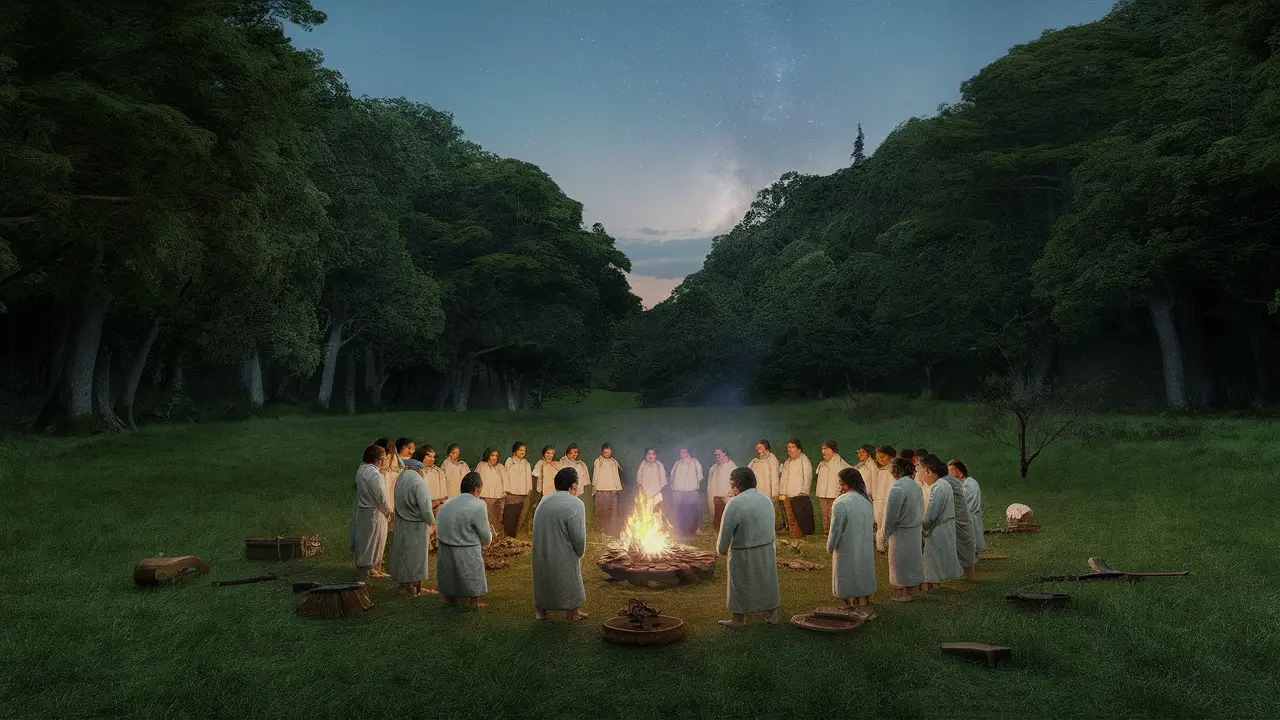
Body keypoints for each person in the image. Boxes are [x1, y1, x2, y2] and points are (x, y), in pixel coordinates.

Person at [717, 467, 781, 628]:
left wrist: (722, 549)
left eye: (732, 485)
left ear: (737, 484)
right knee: (766, 580)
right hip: (766, 549)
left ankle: (739, 619)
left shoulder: (735, 504)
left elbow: (726, 531)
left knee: (740, 583)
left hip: (743, 552)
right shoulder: (765, 499)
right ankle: (772, 613)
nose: (731, 489)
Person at [531, 467, 588, 622]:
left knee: (543, 579)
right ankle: (573, 612)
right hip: (562, 554)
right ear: (574, 486)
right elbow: (578, 535)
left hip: (541, 552)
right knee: (570, 575)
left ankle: (541, 612)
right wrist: (579, 551)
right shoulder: (575, 503)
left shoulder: (544, 500)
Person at [436, 472, 493, 608]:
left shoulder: (448, 502)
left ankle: (448, 596)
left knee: (449, 571)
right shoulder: (478, 504)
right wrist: (486, 542)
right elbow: (485, 534)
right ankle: (474, 601)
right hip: (467, 548)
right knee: (473, 565)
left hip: (445, 546)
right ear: (476, 489)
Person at [388, 449, 436, 596]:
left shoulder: (401, 477)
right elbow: (425, 505)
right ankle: (414, 588)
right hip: (416, 525)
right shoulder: (417, 481)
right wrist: (431, 521)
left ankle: (403, 583)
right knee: (416, 558)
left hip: (402, 522)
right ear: (419, 469)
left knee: (403, 554)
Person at [828, 468, 877, 609]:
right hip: (864, 545)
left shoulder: (841, 502)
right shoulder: (866, 501)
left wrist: (830, 546)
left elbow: (836, 529)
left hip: (846, 545)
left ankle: (848, 603)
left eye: (841, 483)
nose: (840, 486)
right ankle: (863, 600)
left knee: (846, 572)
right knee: (862, 570)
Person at [877, 458, 923, 601]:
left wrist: (884, 534)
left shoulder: (897, 488)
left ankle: (905, 593)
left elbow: (891, 516)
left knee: (901, 562)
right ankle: (912, 590)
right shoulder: (916, 486)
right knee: (912, 560)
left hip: (901, 532)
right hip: (914, 529)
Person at [920, 455, 963, 590]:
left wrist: (922, 529)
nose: (918, 473)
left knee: (933, 558)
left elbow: (931, 516)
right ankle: (935, 583)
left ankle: (933, 584)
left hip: (937, 529)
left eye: (919, 469)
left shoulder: (938, 488)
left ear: (927, 471)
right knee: (939, 557)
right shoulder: (940, 485)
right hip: (943, 526)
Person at [930, 453, 976, 579]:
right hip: (961, 518)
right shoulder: (951, 482)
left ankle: (969, 575)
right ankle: (966, 574)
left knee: (964, 547)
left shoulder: (944, 484)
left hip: (960, 518)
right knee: (963, 547)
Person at [350, 444, 391, 582]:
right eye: (384, 458)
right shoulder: (374, 474)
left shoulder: (362, 469)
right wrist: (387, 511)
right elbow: (380, 496)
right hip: (374, 512)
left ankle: (368, 568)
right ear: (379, 459)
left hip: (364, 510)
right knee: (374, 539)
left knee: (365, 539)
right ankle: (368, 569)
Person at [779, 439, 815, 536]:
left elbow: (808, 476)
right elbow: (784, 478)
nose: (789, 450)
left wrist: (804, 491)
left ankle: (802, 533)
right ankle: (793, 532)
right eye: (788, 448)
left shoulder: (804, 459)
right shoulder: (787, 461)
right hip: (788, 494)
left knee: (800, 515)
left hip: (799, 494)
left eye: (792, 447)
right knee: (790, 515)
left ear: (798, 449)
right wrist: (782, 492)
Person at [950, 459, 986, 554]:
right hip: (964, 516)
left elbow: (965, 501)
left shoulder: (970, 484)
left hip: (969, 516)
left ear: (958, 470)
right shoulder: (960, 483)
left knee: (971, 541)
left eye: (951, 469)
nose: (948, 472)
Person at [815, 440, 850, 534]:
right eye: (822, 449)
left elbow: (850, 476)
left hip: (835, 494)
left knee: (834, 514)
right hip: (823, 493)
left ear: (832, 450)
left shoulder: (841, 464)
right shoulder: (822, 464)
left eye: (825, 449)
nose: (823, 451)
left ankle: (835, 533)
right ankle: (826, 533)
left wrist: (842, 490)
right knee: (824, 514)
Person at [668, 448, 704, 539]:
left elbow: (700, 476)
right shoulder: (677, 463)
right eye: (680, 451)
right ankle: (680, 532)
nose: (681, 453)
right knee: (679, 513)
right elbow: (672, 476)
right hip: (678, 493)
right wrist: (675, 487)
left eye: (683, 451)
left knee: (692, 513)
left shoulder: (695, 462)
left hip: (691, 492)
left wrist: (691, 485)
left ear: (688, 452)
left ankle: (691, 533)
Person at [748, 440, 782, 531]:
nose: (758, 449)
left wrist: (775, 492)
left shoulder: (772, 460)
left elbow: (775, 477)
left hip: (769, 490)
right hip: (759, 490)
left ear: (766, 447)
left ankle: (775, 527)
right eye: (757, 447)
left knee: (772, 509)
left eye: (760, 447)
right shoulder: (756, 461)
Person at [503, 441, 533, 538]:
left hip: (523, 495)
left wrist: (528, 491)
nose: (523, 452)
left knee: (520, 518)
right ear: (514, 451)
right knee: (510, 517)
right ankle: (508, 537)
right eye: (520, 450)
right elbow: (505, 477)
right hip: (511, 494)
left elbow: (528, 479)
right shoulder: (509, 461)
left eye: (524, 450)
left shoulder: (526, 463)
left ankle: (514, 538)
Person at [476, 448, 507, 538]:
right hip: (485, 497)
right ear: (488, 456)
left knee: (498, 518)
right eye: (492, 455)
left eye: (496, 456)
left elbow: (505, 480)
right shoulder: (482, 465)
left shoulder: (500, 467)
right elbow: (477, 480)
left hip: (498, 497)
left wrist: (504, 494)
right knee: (489, 518)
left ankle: (498, 537)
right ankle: (489, 538)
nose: (494, 458)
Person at [559, 443, 592, 528]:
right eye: (573, 452)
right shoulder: (562, 463)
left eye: (577, 452)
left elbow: (582, 477)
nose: (575, 454)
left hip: (576, 491)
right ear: (568, 453)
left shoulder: (579, 464)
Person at [593, 443, 623, 536]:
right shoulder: (598, 462)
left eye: (609, 452)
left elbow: (616, 476)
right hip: (601, 491)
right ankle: (600, 532)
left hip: (612, 491)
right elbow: (595, 476)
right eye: (605, 452)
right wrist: (595, 489)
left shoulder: (613, 462)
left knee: (612, 513)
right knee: (601, 511)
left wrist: (617, 488)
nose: (607, 454)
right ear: (602, 452)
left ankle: (612, 532)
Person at [707, 447, 736, 532]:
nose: (717, 456)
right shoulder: (714, 468)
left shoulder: (732, 467)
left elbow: (735, 482)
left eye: (719, 454)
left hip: (727, 496)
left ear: (725, 453)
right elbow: (710, 482)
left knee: (727, 517)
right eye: (716, 455)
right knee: (717, 520)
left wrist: (731, 492)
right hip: (716, 496)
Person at [873, 444, 897, 544]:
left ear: (891, 456)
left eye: (882, 456)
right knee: (878, 520)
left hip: (887, 499)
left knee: (886, 521)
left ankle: (886, 542)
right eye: (878, 457)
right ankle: (880, 541)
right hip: (879, 499)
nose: (880, 459)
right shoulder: (880, 470)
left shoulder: (893, 470)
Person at [531, 445, 560, 523]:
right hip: (541, 491)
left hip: (553, 491)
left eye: (552, 453)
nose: (550, 455)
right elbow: (535, 477)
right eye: (548, 453)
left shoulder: (556, 464)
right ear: (544, 454)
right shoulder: (540, 463)